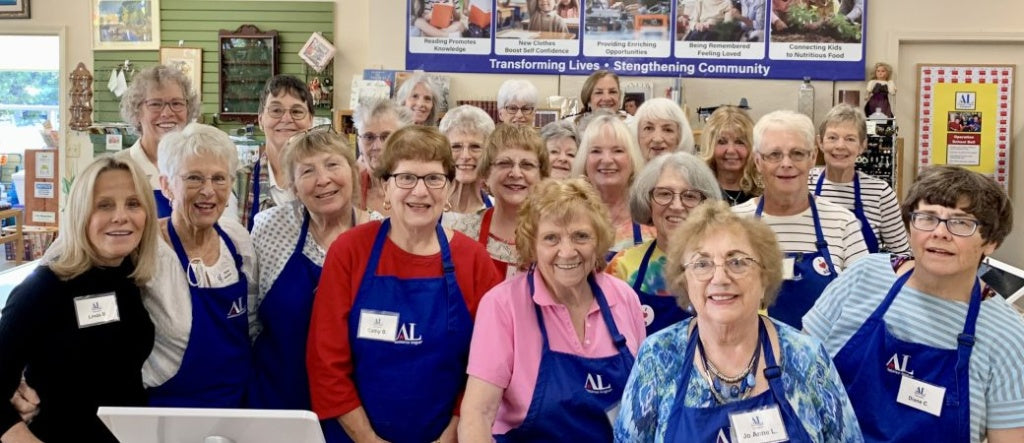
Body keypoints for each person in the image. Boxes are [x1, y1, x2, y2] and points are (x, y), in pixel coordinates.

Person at [307, 125, 502, 442]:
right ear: (385, 187)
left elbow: (485, 369)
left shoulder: (474, 261)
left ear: (450, 188)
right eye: (406, 178)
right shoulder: (350, 251)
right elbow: (325, 363)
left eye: (434, 178)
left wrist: (451, 436)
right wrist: (368, 439)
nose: (420, 191)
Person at [805, 165, 1024, 443]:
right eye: (927, 217)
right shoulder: (865, 276)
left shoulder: (1007, 336)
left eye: (961, 222)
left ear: (991, 241)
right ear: (910, 226)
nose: (940, 233)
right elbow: (800, 369)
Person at [614, 201, 862, 441]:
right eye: (702, 263)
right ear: (684, 280)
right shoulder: (658, 357)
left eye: (737, 262)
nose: (720, 278)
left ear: (765, 277)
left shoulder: (807, 358)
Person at [459, 178, 646, 442]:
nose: (567, 252)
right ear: (531, 245)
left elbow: (643, 410)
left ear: (599, 240)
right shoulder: (503, 305)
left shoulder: (623, 297)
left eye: (581, 236)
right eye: (551, 238)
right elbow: (477, 415)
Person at [0, 156, 158, 443]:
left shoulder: (128, 277)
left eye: (133, 204)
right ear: (80, 213)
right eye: (104, 205)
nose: (121, 216)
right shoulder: (43, 289)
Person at [248, 128, 369, 438]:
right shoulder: (270, 228)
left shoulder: (378, 233)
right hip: (277, 405)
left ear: (353, 172)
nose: (323, 179)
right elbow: (249, 319)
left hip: (355, 414)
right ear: (293, 186)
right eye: (307, 171)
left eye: (332, 165)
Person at [144, 123, 257, 407]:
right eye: (194, 178)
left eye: (219, 179)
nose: (208, 191)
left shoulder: (237, 240)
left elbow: (252, 324)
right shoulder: (146, 247)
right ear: (167, 185)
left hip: (236, 409)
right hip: (168, 411)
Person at [731, 110, 867, 329]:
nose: (786, 163)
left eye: (797, 153)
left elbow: (864, 304)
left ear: (813, 157)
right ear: (758, 161)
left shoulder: (843, 224)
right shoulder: (733, 223)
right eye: (774, 154)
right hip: (750, 358)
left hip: (824, 358)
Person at [607, 152, 721, 335]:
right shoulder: (622, 266)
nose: (676, 205)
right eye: (664, 194)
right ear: (647, 201)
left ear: (706, 205)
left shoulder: (726, 266)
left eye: (690, 196)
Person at [448, 124, 550, 279]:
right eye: (504, 163)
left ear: (541, 177)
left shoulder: (556, 233)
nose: (516, 173)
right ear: (486, 175)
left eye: (527, 165)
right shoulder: (461, 232)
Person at [810, 104, 910, 255]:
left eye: (850, 139)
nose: (840, 146)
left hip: (863, 278)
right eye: (832, 138)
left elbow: (902, 255)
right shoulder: (803, 185)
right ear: (820, 143)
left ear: (862, 146)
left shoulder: (880, 193)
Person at [115, 64, 201, 218]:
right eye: (155, 104)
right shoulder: (117, 169)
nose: (167, 113)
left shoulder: (201, 164)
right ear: (136, 111)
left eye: (176, 103)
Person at [570, 113, 653, 260]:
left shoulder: (651, 219)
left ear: (632, 160)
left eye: (617, 151)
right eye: (596, 151)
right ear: (584, 160)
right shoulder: (568, 217)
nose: (607, 159)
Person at [239, 75, 316, 230]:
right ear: (260, 120)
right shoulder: (239, 183)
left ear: (310, 121)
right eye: (276, 110)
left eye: (297, 111)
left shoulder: (325, 181)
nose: (286, 118)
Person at [353, 98, 414, 217]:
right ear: (359, 142)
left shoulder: (417, 187)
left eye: (386, 137)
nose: (377, 146)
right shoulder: (351, 189)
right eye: (369, 137)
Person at [701, 105, 761, 206]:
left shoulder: (764, 194)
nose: (731, 150)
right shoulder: (698, 192)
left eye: (739, 142)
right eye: (722, 142)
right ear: (710, 146)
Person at [440, 105, 495, 214]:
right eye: (456, 147)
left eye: (475, 147)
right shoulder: (429, 207)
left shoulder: (498, 210)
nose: (465, 156)